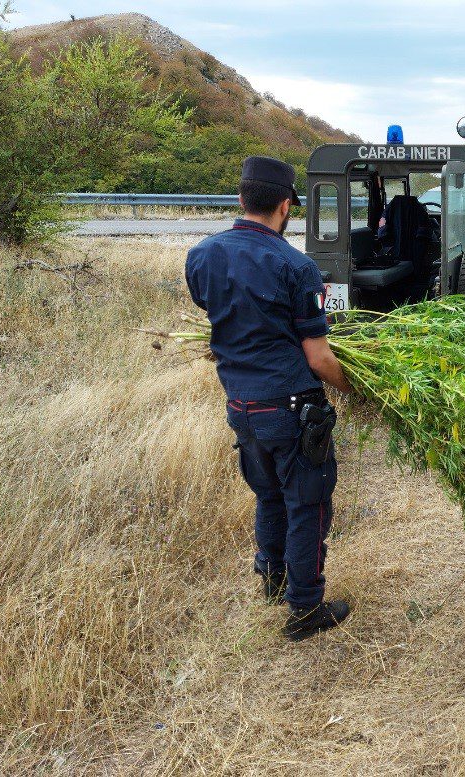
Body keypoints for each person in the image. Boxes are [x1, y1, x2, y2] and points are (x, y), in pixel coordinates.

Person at [185, 156, 354, 642]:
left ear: (241, 199)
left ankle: (273, 579)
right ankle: (304, 610)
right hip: (291, 408)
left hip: (240, 405)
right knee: (308, 503)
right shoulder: (295, 266)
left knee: (269, 494)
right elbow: (319, 357)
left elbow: (214, 310)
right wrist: (354, 389)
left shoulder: (201, 256)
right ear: (285, 206)